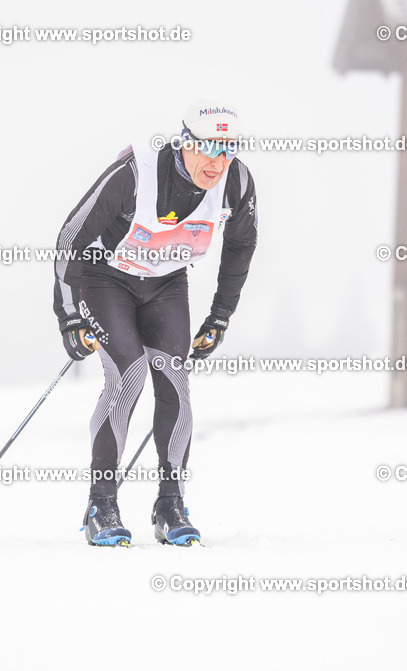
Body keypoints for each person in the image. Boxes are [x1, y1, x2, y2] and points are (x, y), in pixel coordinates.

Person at [53, 100, 259, 546]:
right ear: (186, 142)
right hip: (105, 279)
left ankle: (171, 504)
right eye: (208, 148)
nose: (217, 162)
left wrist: (219, 317)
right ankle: (101, 504)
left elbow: (240, 247)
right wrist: (69, 316)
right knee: (127, 373)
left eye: (229, 150)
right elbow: (71, 237)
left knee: (175, 381)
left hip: (164, 284)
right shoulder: (136, 174)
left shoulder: (236, 182)